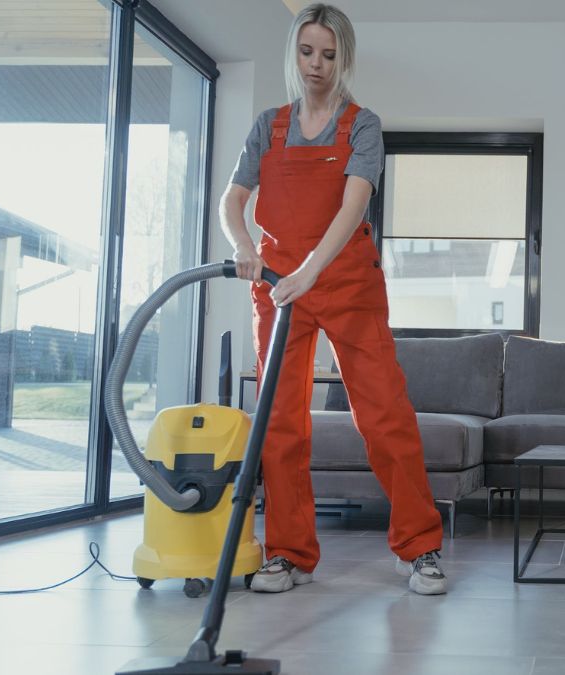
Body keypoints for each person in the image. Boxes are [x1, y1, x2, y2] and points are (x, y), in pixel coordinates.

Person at [219, 3, 446, 594]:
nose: (317, 65)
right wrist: (245, 246)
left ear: (343, 58)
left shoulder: (361, 124)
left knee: (384, 414)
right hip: (278, 286)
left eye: (329, 54)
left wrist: (311, 270)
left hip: (345, 279)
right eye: (306, 51)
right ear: (293, 53)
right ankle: (289, 554)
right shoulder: (268, 126)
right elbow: (232, 200)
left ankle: (419, 547)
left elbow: (354, 205)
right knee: (281, 422)